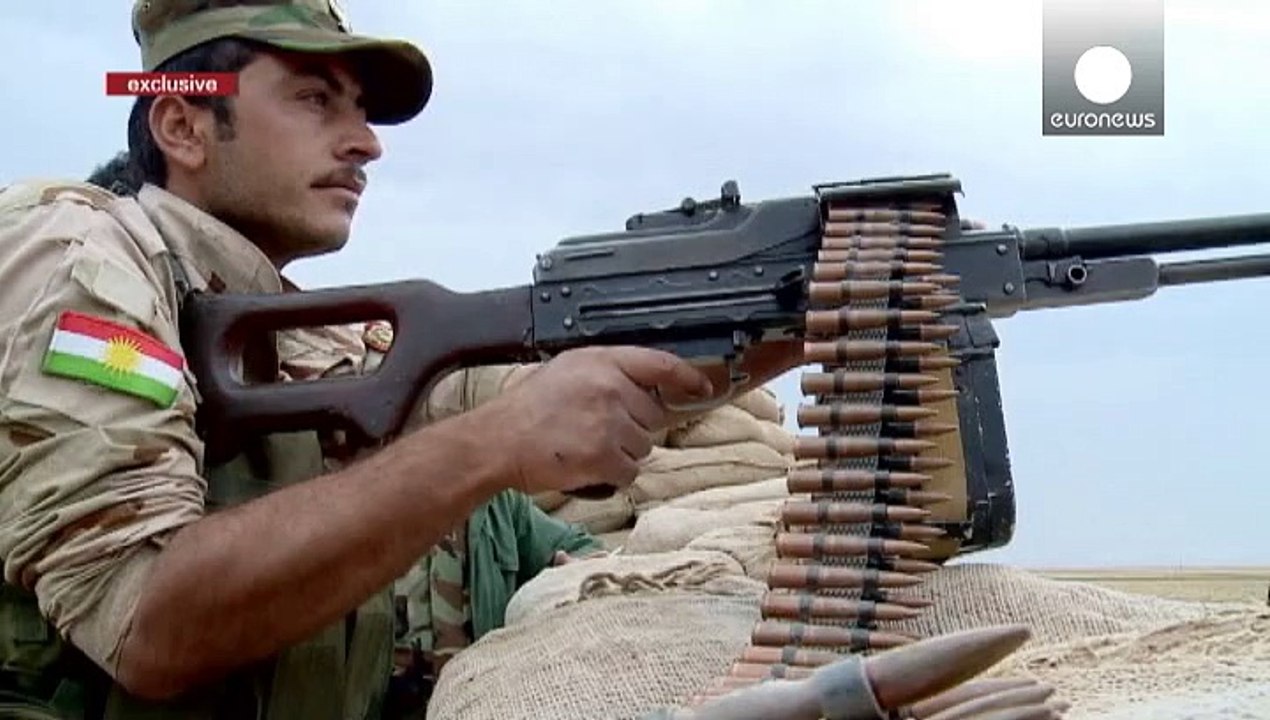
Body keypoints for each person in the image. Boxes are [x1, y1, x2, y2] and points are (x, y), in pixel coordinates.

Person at [0, 2, 801, 719]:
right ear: (184, 127)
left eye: (359, 111)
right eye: (315, 100)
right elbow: (145, 621)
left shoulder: (309, 336)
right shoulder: (79, 252)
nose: (367, 144)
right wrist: (496, 444)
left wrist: (800, 306)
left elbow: (598, 392)